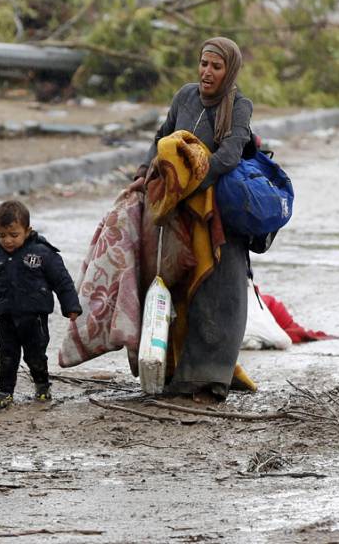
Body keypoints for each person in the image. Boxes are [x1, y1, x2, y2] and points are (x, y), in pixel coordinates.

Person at [127, 36, 253, 402]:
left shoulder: (238, 105)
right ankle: (173, 372)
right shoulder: (185, 96)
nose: (206, 72)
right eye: (203, 64)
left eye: (216, 66)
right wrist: (145, 171)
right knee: (174, 287)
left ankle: (212, 379)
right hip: (179, 210)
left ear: (229, 71)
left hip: (219, 213)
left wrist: (192, 180)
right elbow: (162, 137)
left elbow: (230, 154)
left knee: (217, 293)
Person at [0, 200, 81, 410]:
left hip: (34, 319)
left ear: (27, 230)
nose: (8, 240)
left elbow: (62, 281)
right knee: (6, 356)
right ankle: (5, 391)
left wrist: (71, 306)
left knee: (35, 356)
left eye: (14, 235)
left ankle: (42, 385)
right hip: (6, 318)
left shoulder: (43, 254)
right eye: (2, 235)